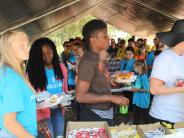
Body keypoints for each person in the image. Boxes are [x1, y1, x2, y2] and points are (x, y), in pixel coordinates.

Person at [76, 19, 129, 126]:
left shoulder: (98, 57)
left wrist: (112, 81)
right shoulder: (88, 62)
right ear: (93, 40)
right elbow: (80, 96)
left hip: (104, 112)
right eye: (105, 36)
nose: (109, 39)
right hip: (94, 115)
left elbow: (99, 79)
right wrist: (112, 97)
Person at [27, 38, 68, 137]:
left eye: (49, 52)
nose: (47, 57)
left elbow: (64, 90)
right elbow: (28, 99)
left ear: (53, 50)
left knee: (59, 136)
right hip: (41, 114)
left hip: (58, 110)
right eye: (42, 54)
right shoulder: (31, 74)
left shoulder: (62, 68)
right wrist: (37, 119)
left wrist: (65, 101)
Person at [0, 30, 37, 137]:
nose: (27, 49)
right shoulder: (11, 77)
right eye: (21, 46)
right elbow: (9, 122)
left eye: (27, 44)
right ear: (8, 49)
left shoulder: (9, 72)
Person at [149, 19, 184, 124]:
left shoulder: (182, 56)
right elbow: (154, 89)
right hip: (164, 117)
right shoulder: (165, 58)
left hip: (179, 118)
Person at [130, 60, 150, 125]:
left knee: (145, 117)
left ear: (139, 67)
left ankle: (147, 129)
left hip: (143, 100)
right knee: (136, 115)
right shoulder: (138, 75)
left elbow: (147, 89)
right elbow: (137, 85)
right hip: (137, 100)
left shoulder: (144, 77)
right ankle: (135, 127)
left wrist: (137, 90)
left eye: (134, 67)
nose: (133, 69)